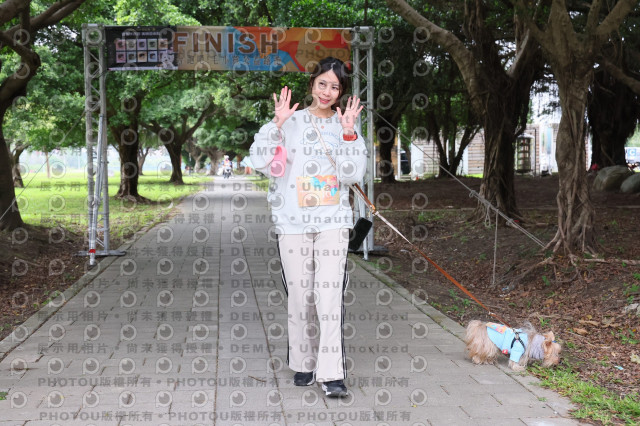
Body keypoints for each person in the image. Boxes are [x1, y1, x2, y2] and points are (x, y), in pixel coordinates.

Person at [250, 57, 367, 397]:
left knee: (329, 297)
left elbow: (351, 175)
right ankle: (303, 362)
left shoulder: (346, 126)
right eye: (322, 84)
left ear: (341, 92)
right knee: (300, 296)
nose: (327, 91)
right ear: (312, 83)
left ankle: (332, 374)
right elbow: (259, 161)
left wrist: (348, 134)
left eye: (335, 87)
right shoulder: (292, 121)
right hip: (293, 222)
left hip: (333, 221)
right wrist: (277, 123)